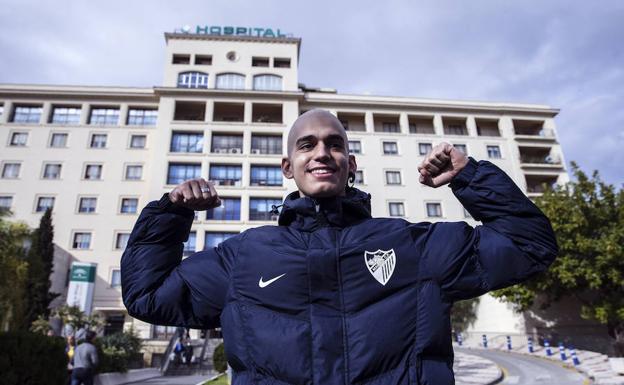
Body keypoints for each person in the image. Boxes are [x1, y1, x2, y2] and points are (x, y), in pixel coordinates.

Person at [121, 109, 558, 384]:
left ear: (351, 164)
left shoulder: (409, 246)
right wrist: (170, 216)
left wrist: (468, 176)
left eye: (335, 144)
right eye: (307, 144)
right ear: (287, 167)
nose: (322, 152)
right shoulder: (245, 257)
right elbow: (148, 295)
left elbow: (529, 244)